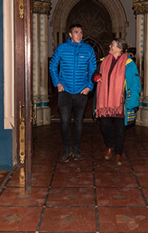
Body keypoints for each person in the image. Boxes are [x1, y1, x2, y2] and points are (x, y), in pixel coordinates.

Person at [49, 24, 96, 162]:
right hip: (65, 91)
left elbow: (93, 70)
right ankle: (66, 149)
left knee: (79, 122)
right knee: (64, 122)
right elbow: (52, 66)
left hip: (81, 92)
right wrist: (57, 83)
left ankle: (76, 149)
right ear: (70, 34)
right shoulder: (62, 48)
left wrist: (89, 87)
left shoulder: (88, 50)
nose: (79, 35)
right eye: (76, 32)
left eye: (81, 32)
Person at [93, 38, 141, 165]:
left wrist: (133, 100)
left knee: (120, 130)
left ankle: (118, 152)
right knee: (104, 126)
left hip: (120, 102)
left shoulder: (129, 63)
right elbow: (95, 73)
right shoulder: (103, 61)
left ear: (120, 48)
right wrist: (97, 77)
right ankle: (110, 145)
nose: (110, 46)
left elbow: (135, 84)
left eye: (113, 45)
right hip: (105, 102)